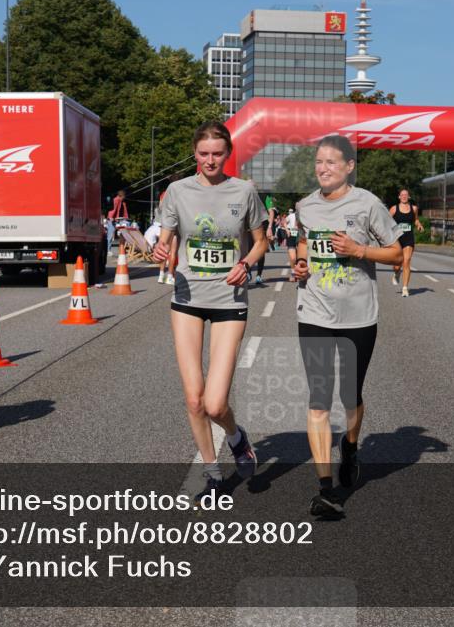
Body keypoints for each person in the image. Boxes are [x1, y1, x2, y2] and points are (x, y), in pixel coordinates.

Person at [152, 120, 268, 504]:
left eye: (217, 154)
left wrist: (247, 263)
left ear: (228, 154)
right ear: (195, 153)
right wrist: (161, 251)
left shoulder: (245, 191)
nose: (210, 160)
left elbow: (260, 240)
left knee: (216, 403)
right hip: (186, 298)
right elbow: (167, 239)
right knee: (193, 398)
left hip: (229, 301)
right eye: (203, 154)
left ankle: (236, 438)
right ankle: (213, 473)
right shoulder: (178, 192)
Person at [291, 135, 403, 517]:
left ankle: (351, 446)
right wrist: (301, 263)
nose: (322, 168)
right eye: (318, 162)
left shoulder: (367, 204)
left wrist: (360, 251)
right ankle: (326, 489)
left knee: (349, 397)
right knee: (319, 399)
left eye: (331, 163)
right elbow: (305, 244)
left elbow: (396, 253)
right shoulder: (305, 206)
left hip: (358, 316)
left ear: (349, 166)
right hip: (314, 313)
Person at [388, 189, 424, 296]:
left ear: (409, 197)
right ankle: (396, 272)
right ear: (399, 197)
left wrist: (419, 225)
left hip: (408, 238)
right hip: (396, 239)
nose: (404, 196)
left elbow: (416, 219)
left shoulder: (414, 208)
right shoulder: (394, 209)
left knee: (406, 261)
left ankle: (405, 288)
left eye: (406, 195)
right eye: (402, 195)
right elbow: (386, 222)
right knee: (397, 265)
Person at [285, 206, 299, 281]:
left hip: (301, 236)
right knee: (293, 257)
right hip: (291, 235)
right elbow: (284, 222)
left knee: (300, 256)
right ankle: (293, 273)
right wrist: (287, 230)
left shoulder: (304, 215)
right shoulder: (291, 216)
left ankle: (300, 272)